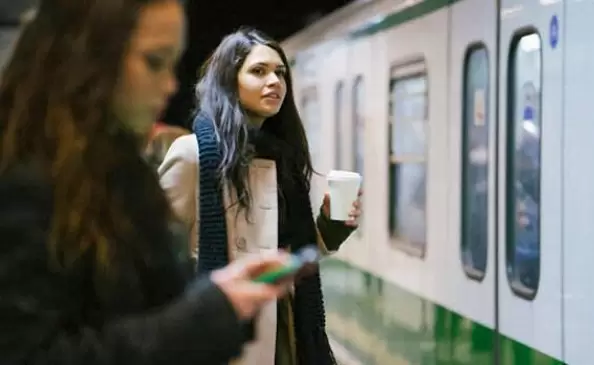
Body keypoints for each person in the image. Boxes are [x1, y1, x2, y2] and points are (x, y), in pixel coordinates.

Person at [0, 2, 292, 364]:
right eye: (155, 62)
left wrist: (220, 293)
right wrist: (208, 314)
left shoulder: (117, 171)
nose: (171, 86)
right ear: (86, 56)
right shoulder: (23, 183)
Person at [158, 27, 363, 365]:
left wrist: (331, 226)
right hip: (221, 329)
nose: (275, 81)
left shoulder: (282, 160)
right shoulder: (194, 154)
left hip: (285, 327)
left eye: (280, 73)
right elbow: (156, 256)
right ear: (229, 80)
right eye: (258, 71)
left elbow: (289, 255)